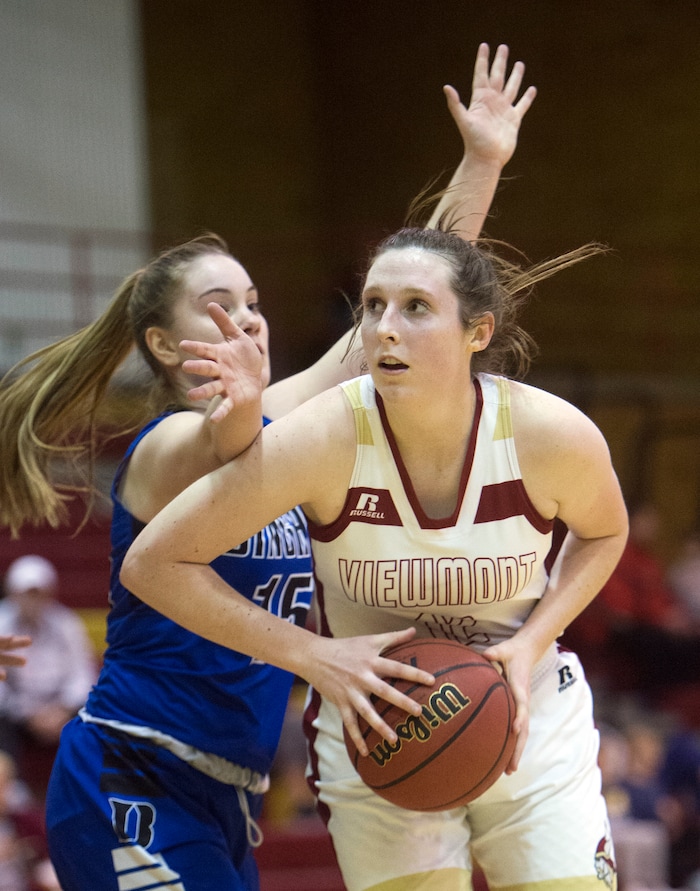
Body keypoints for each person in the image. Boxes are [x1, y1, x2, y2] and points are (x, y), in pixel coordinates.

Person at [0, 42, 536, 891]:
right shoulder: (164, 451)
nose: (249, 321)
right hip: (130, 777)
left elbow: (411, 306)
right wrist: (319, 658)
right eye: (221, 310)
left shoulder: (282, 428)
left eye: (253, 303)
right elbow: (226, 439)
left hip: (223, 795)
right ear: (165, 347)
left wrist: (480, 163)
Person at [122, 215, 629, 888]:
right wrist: (315, 656)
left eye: (416, 307)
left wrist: (534, 639)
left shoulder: (549, 434)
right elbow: (153, 562)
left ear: (477, 332)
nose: (385, 326)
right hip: (378, 724)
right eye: (372, 306)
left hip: (530, 710)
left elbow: (604, 532)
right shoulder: (323, 437)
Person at [0, 556, 97, 798]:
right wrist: (28, 713)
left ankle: (86, 785)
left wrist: (63, 709)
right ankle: (12, 791)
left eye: (38, 594)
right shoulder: (2, 622)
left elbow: (82, 674)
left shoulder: (66, 622)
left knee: (94, 714)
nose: (33, 601)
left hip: (59, 706)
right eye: (27, 594)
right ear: (12, 593)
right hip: (17, 710)